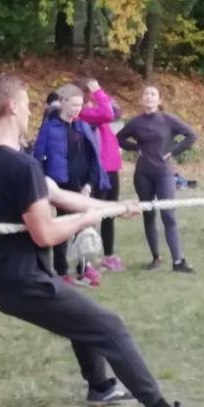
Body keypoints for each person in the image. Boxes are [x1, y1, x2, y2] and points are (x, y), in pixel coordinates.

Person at [0, 75, 204, 407]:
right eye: (28, 105)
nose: (31, 112)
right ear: (13, 107)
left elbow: (57, 195)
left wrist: (112, 207)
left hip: (3, 275)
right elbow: (45, 234)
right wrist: (86, 220)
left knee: (80, 318)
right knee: (109, 327)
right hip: (20, 279)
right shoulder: (21, 166)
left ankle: (100, 387)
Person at [33, 84, 109, 287]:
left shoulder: (83, 127)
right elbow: (38, 158)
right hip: (61, 185)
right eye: (74, 105)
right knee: (63, 228)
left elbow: (93, 158)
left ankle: (84, 268)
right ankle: (61, 271)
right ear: (63, 103)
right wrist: (43, 187)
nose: (77, 109)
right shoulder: (49, 128)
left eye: (80, 105)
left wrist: (89, 184)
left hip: (84, 186)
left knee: (86, 226)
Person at [116, 85, 197, 272]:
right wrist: (136, 148)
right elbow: (119, 138)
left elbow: (191, 136)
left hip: (164, 173)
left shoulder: (168, 120)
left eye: (153, 94)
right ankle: (156, 257)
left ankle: (178, 261)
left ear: (159, 100)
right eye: (146, 94)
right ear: (141, 99)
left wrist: (173, 152)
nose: (149, 97)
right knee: (149, 214)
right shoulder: (136, 122)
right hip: (143, 174)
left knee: (168, 215)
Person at [78, 78, 126, 272]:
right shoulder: (83, 113)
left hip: (112, 168)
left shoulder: (97, 111)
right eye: (90, 92)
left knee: (110, 214)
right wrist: (98, 93)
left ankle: (108, 256)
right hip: (99, 170)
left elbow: (116, 111)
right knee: (93, 216)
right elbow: (108, 112)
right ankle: (86, 261)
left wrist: (100, 93)